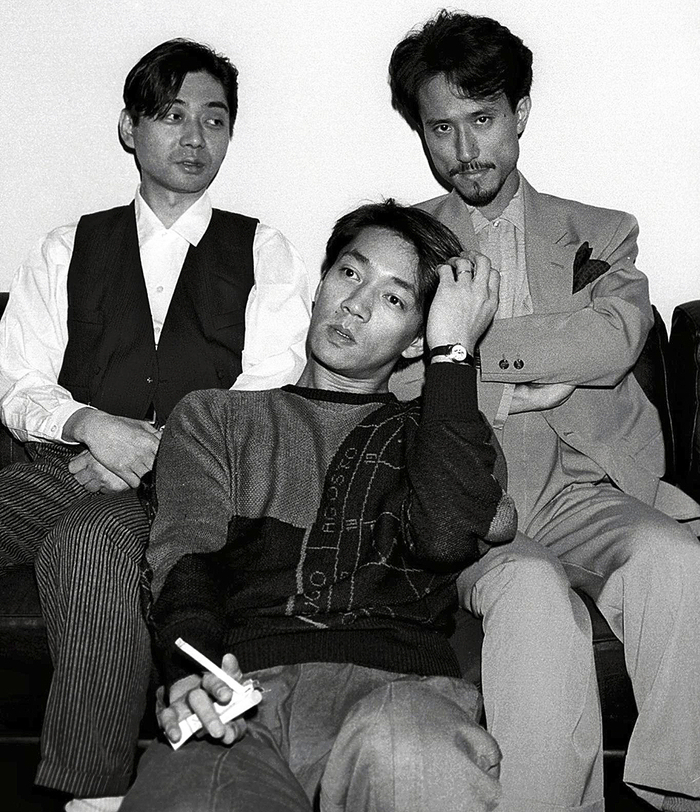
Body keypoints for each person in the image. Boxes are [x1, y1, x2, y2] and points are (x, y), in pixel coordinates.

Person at [388, 10, 700, 812]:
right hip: (474, 499)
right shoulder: (405, 245)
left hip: (586, 489)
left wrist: (460, 345)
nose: (464, 149)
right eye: (441, 128)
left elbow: (615, 340)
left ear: (519, 113)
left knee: (678, 561)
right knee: (531, 592)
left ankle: (680, 795)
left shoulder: (599, 231)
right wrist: (536, 362)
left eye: (482, 119)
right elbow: (392, 381)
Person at [118, 200, 516, 812]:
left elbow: (443, 537)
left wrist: (453, 356)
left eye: (394, 299)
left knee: (414, 757)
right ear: (322, 281)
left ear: (418, 340)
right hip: (243, 689)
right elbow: (185, 559)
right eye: (350, 273)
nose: (356, 304)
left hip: (401, 693)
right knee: (191, 794)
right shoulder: (216, 417)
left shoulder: (446, 432)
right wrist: (192, 671)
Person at [0, 39, 312, 811]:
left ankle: (91, 795)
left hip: (191, 495)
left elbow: (269, 387)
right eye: (172, 115)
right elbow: (17, 378)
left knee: (92, 543)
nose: (195, 137)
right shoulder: (66, 247)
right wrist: (89, 423)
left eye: (214, 119)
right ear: (129, 127)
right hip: (65, 470)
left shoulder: (264, 250)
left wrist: (154, 449)